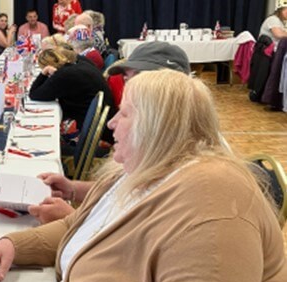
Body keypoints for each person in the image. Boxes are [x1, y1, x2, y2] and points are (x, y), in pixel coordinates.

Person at [0, 69, 287, 282]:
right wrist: (15, 246)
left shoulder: (215, 194)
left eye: (123, 113)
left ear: (155, 125)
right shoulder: (142, 172)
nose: (110, 123)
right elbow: (85, 228)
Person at [29, 41, 191, 224]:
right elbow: (122, 189)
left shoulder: (184, 172)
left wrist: (71, 221)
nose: (113, 122)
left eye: (127, 113)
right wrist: (73, 189)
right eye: (127, 79)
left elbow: (127, 240)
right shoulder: (157, 142)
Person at [29, 46, 115, 146]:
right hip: (104, 121)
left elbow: (34, 94)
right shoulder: (81, 62)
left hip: (94, 131)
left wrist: (44, 73)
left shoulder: (64, 75)